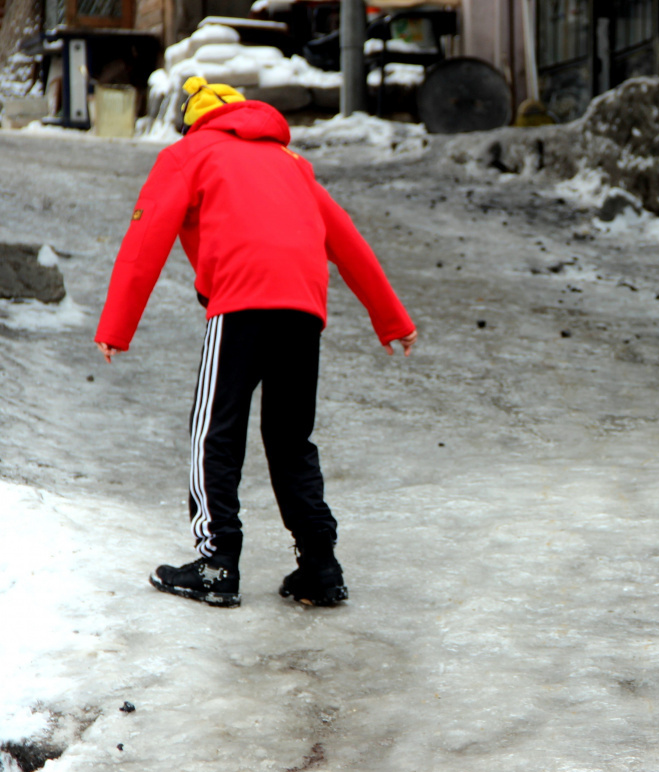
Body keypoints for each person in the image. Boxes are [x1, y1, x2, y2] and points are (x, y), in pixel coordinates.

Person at [94, 77, 418, 609]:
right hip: (303, 309)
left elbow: (144, 240)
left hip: (241, 300)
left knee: (214, 433)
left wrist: (116, 327)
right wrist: (392, 319)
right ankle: (320, 566)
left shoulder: (188, 154)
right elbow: (348, 240)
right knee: (292, 441)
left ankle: (218, 563)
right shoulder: (291, 163)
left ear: (193, 119)